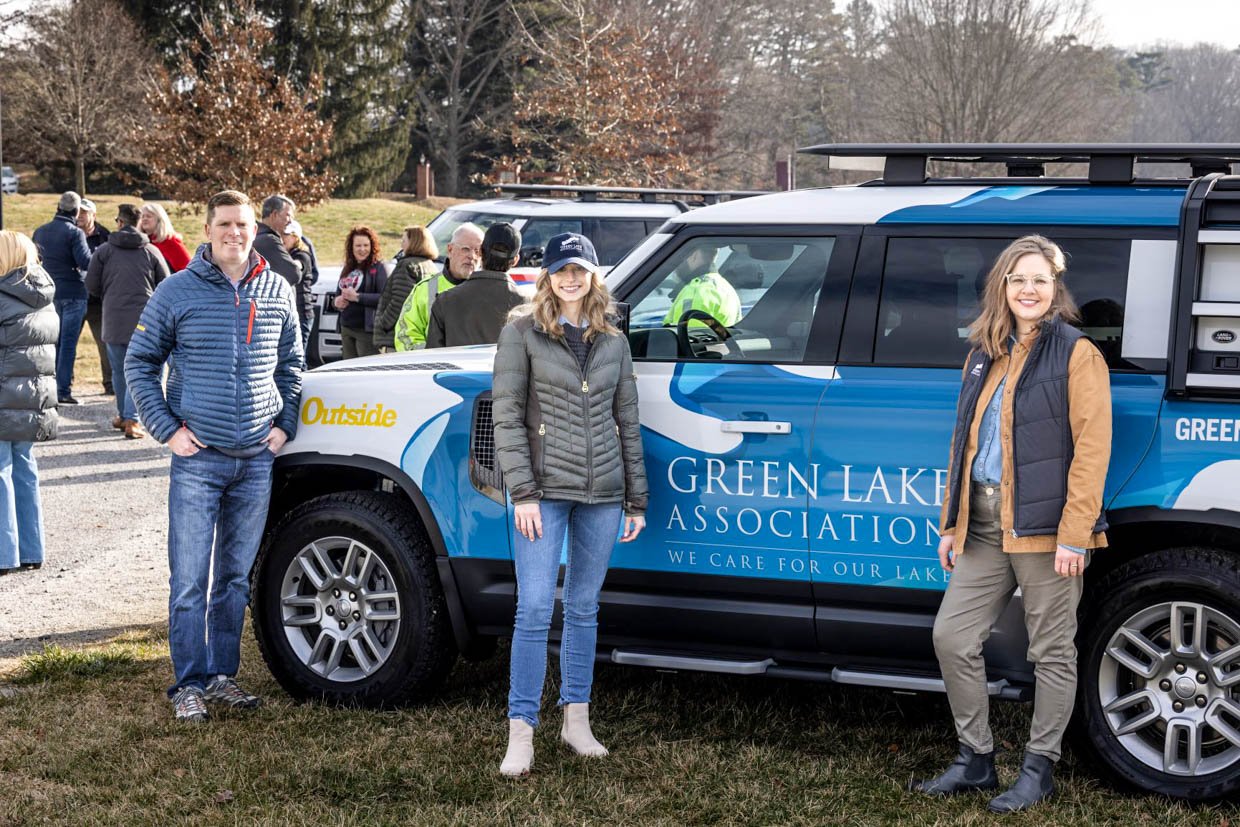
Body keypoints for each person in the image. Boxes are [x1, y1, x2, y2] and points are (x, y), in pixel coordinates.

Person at [911, 235, 1111, 813]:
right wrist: (951, 522)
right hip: (982, 522)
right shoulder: (983, 351)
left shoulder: (1076, 353)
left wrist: (1076, 532)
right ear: (1003, 286)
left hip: (1048, 529)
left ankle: (1038, 768)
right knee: (952, 636)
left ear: (1055, 291)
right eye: (1019, 279)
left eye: (1040, 281)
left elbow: (1092, 449)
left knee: (1052, 650)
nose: (1029, 289)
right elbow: (964, 444)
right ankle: (975, 759)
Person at [125, 190, 303, 723]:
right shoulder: (177, 291)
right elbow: (139, 361)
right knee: (189, 579)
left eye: (242, 224)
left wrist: (282, 427)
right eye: (224, 224)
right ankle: (188, 683)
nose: (234, 233)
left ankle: (222, 675)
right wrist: (166, 429)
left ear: (255, 230)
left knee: (233, 578)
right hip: (198, 460)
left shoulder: (276, 288)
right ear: (207, 230)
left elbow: (293, 364)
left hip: (255, 458)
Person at [491, 231, 648, 776]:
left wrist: (635, 499)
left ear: (593, 275)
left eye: (580, 269)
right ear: (548, 276)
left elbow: (628, 422)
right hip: (543, 494)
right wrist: (524, 493)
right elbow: (506, 418)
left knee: (583, 607)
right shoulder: (521, 334)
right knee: (534, 608)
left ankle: (576, 721)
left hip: (604, 494)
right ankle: (521, 731)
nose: (571, 278)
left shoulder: (614, 341)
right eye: (562, 270)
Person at [85, 203, 171, 439]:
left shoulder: (103, 251)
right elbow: (166, 283)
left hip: (113, 318)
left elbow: (91, 285)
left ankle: (126, 416)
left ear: (119, 222)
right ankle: (131, 419)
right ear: (139, 223)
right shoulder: (151, 251)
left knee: (120, 370)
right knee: (142, 369)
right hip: (145, 321)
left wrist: (109, 294)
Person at [0, 231, 58, 575]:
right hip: (33, 397)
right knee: (23, 467)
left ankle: (4, 552)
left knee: (1, 470)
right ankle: (31, 549)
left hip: (5, 392)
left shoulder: (3, 296)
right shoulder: (43, 295)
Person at [32, 191, 92, 405]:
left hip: (48, 294)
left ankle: (46, 389)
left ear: (58, 207)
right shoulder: (75, 233)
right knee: (68, 344)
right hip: (73, 293)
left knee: (50, 343)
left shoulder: (40, 232)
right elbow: (86, 262)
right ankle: (63, 390)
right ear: (76, 211)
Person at [427, 222, 525, 348]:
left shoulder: (445, 301)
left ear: (480, 253)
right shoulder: (527, 305)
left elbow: (433, 355)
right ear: (515, 260)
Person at [393, 223, 483, 351]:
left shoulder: (487, 291)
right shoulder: (426, 289)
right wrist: (432, 357)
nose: (472, 256)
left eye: (478, 251)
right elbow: (406, 335)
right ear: (450, 250)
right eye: (466, 249)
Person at [374, 225, 437, 353]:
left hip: (395, 338)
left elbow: (400, 301)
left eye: (404, 241)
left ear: (414, 242)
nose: (401, 245)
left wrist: (383, 323)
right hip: (418, 335)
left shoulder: (406, 265)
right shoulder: (431, 266)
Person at [332, 226, 388, 359]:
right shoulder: (348, 267)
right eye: (358, 245)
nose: (362, 249)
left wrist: (358, 297)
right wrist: (336, 302)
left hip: (366, 331)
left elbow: (384, 299)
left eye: (366, 245)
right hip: (346, 328)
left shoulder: (379, 268)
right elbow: (337, 294)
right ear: (351, 247)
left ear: (372, 246)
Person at [78, 198, 113, 395]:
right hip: (75, 298)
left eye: (84, 212)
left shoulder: (104, 236)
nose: (80, 216)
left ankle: (109, 384)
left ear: (93, 215)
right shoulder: (71, 234)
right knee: (67, 344)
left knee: (104, 344)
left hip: (98, 301)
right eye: (78, 212)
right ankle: (64, 385)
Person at [662, 244, 742, 328]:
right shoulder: (723, 286)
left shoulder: (695, 292)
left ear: (694, 255)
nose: (675, 265)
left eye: (679, 257)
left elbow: (688, 337)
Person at [282, 219, 317, 353]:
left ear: (295, 237)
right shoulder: (288, 254)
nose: (282, 238)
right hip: (296, 312)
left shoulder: (302, 255)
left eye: (286, 235)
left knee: (298, 356)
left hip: (302, 312)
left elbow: (298, 265)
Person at [138, 203, 192, 273]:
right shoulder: (140, 243)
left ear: (159, 220)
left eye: (149, 216)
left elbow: (188, 270)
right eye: (142, 216)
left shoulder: (171, 242)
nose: (144, 219)